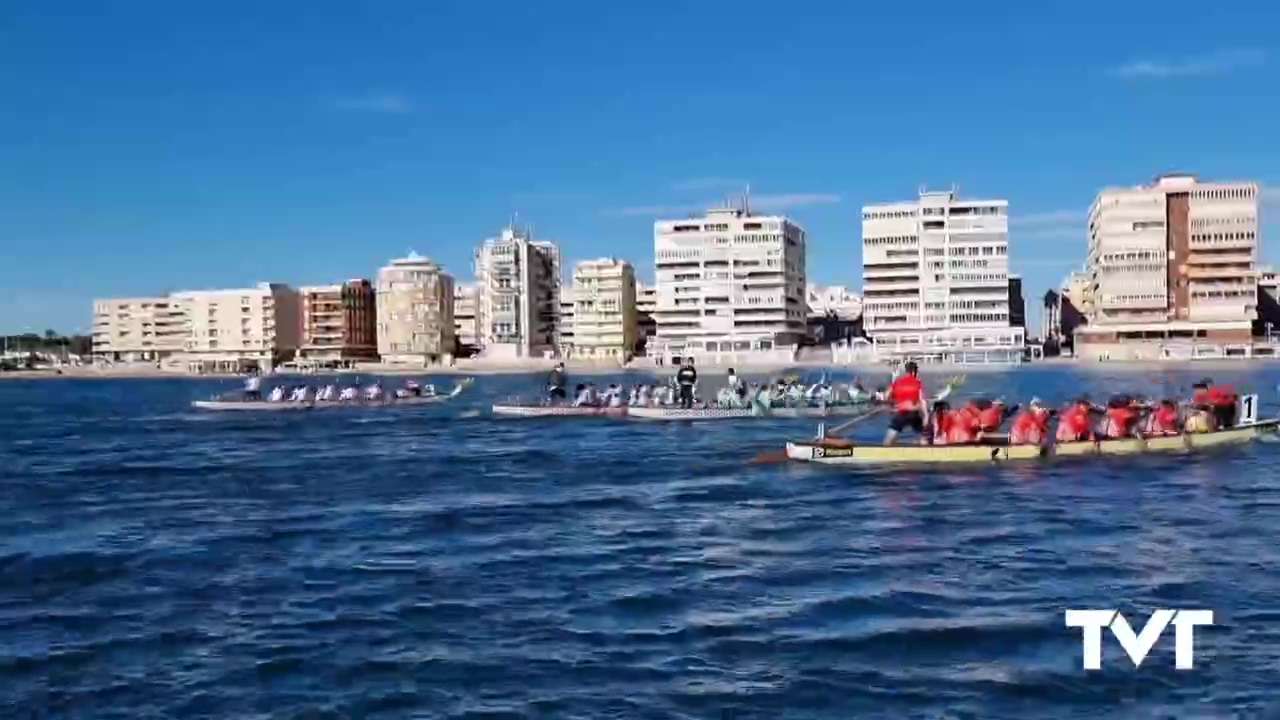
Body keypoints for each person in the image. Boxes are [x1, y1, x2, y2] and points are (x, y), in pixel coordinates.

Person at [883, 361, 929, 446]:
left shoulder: (897, 382)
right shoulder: (918, 383)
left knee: (888, 439)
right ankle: (928, 452)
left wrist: (890, 406)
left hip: (901, 413)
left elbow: (886, 395)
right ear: (914, 372)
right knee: (922, 437)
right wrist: (926, 416)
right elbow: (922, 400)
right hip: (914, 413)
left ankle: (885, 453)